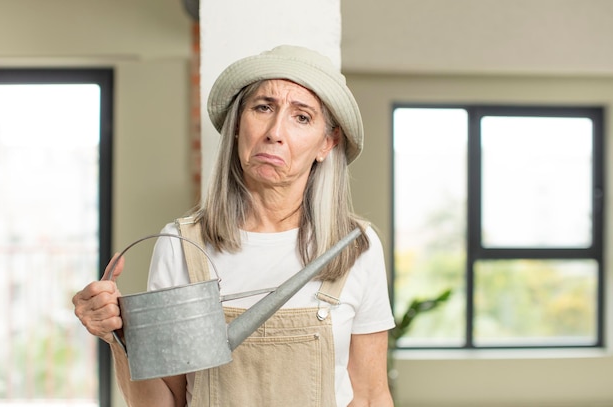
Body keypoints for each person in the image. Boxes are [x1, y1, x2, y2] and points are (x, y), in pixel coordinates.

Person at [72, 44, 395, 407]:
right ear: (238, 124)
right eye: (263, 107)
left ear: (327, 143)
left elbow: (369, 395)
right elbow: (163, 404)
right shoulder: (181, 245)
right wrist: (118, 337)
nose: (275, 132)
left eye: (301, 117)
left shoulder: (356, 248)